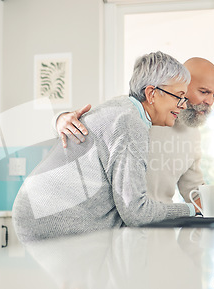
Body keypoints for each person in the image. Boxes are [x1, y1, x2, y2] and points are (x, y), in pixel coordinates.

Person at [12, 51, 197, 242]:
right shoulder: (129, 122)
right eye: (179, 96)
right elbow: (137, 212)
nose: (183, 106)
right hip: (52, 220)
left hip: (37, 213)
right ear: (151, 94)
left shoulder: (122, 108)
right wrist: (192, 210)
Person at [56, 57, 214, 212]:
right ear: (182, 85)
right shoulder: (131, 114)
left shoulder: (192, 133)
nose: (210, 102)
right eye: (204, 92)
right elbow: (83, 127)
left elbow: (193, 190)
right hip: (120, 226)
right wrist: (60, 119)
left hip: (161, 223)